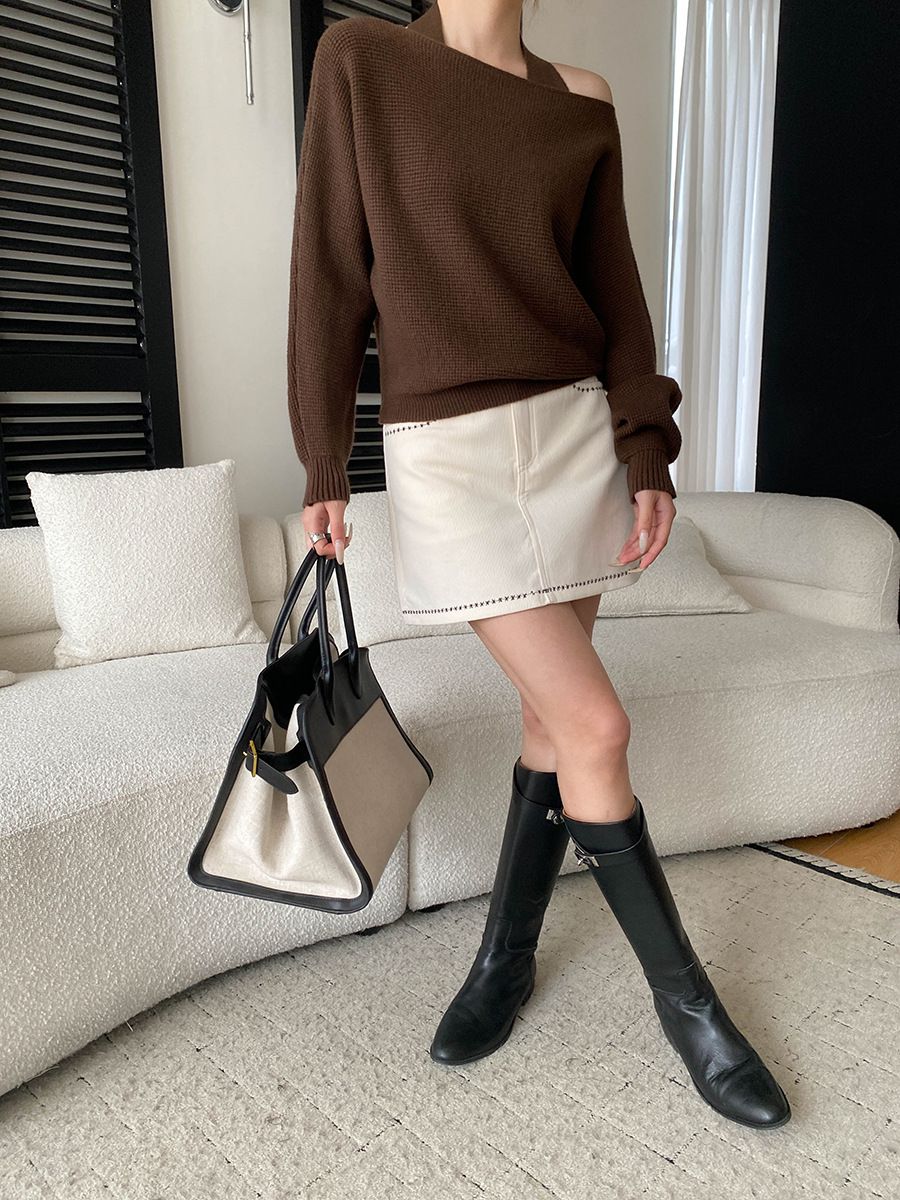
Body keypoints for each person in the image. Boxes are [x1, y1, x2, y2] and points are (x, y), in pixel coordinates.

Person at [286, 0, 791, 1130]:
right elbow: (329, 269)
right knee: (597, 725)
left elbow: (616, 293)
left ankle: (501, 965)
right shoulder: (363, 61)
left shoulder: (582, 100)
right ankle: (693, 1013)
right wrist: (323, 456)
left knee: (552, 726)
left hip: (575, 438)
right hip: (448, 453)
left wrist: (646, 448)